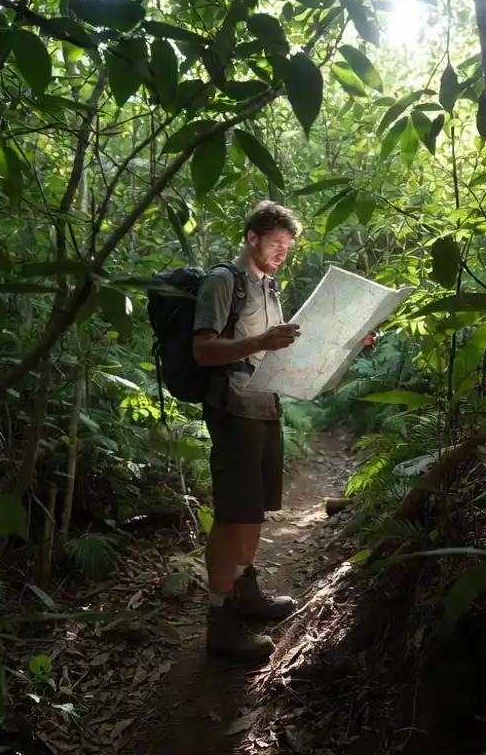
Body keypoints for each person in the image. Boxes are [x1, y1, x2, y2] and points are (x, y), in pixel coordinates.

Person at [191, 200, 303, 662]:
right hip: (234, 407)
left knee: (254, 510)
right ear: (252, 237)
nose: (282, 253)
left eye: (287, 248)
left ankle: (246, 590)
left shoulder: (271, 288)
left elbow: (277, 350)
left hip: (265, 406)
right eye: (276, 244)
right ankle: (220, 621)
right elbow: (203, 351)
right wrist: (260, 341)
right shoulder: (224, 281)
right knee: (233, 512)